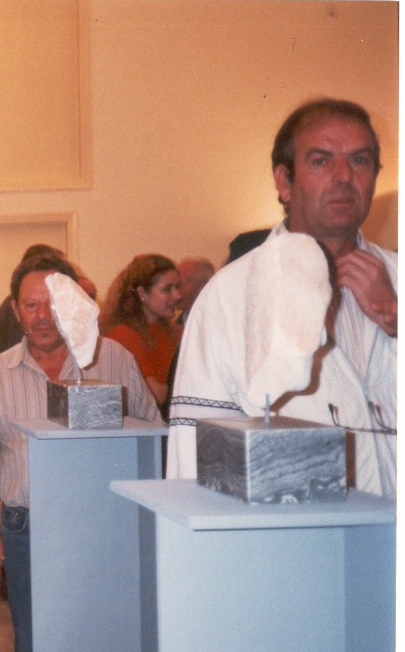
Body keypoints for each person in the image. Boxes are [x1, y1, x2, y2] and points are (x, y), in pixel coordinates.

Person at [0, 252, 161, 652]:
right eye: (31, 306)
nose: (43, 316)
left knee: (101, 633)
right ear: (15, 310)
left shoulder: (114, 359)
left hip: (102, 526)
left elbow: (154, 433)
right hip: (26, 526)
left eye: (53, 303)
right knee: (35, 640)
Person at [168, 98, 396, 498]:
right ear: (284, 181)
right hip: (301, 543)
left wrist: (396, 317)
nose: (344, 176)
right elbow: (195, 457)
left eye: (360, 160)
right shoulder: (229, 295)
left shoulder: (398, 277)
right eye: (322, 161)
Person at [103, 254, 183, 414]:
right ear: (142, 293)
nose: (177, 295)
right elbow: (154, 396)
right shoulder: (125, 335)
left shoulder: (169, 330)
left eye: (177, 287)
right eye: (167, 289)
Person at [175, 256, 215, 323]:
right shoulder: (174, 329)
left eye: (179, 286)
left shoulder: (221, 320)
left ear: (203, 287)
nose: (174, 293)